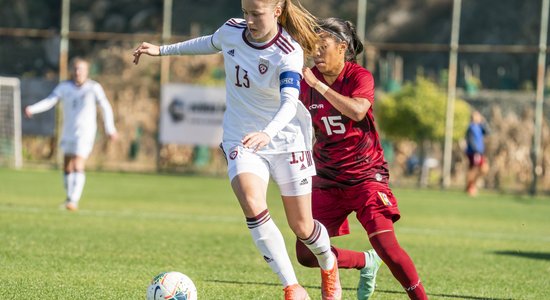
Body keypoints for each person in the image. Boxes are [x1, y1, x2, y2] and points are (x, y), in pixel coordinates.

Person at [132, 1, 341, 299]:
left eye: (257, 14)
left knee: (302, 226)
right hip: (241, 137)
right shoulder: (232, 30)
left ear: (277, 11)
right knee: (252, 202)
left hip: (285, 138)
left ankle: (328, 262)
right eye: (246, 12)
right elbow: (208, 43)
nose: (249, 20)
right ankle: (292, 286)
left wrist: (267, 133)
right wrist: (162, 50)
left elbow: (288, 102)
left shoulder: (288, 51)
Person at [296, 18, 428, 300]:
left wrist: (319, 87)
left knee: (387, 247)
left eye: (323, 46)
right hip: (327, 179)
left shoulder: (358, 76)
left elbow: (357, 111)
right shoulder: (304, 83)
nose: (316, 53)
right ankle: (365, 262)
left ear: (342, 47)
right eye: (313, 47)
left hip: (366, 176)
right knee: (306, 254)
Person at [24, 57, 118, 211]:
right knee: (67, 165)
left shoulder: (94, 88)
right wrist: (32, 109)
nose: (78, 72)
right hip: (68, 131)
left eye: (81, 69)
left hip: (85, 132)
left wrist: (110, 128)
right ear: (71, 71)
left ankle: (73, 200)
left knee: (78, 163)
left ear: (87, 71)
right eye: (75, 69)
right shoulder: (64, 87)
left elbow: (105, 107)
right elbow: (50, 100)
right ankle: (69, 198)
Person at [465, 110, 489, 196]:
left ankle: (471, 185)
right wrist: (476, 151)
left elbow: (488, 132)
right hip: (474, 152)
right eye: (477, 116)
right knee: (474, 169)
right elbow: (470, 140)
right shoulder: (471, 128)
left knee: (483, 169)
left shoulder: (479, 127)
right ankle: (470, 187)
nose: (479, 118)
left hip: (479, 152)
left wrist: (484, 122)